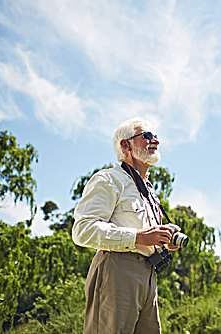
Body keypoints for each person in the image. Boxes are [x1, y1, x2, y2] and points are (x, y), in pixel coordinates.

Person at [72, 118, 179, 333]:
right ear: (125, 145)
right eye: (147, 136)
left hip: (149, 275)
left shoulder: (148, 189)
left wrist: (163, 241)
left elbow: (145, 234)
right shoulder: (108, 179)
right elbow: (82, 230)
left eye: (156, 136)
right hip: (117, 269)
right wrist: (138, 237)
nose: (155, 141)